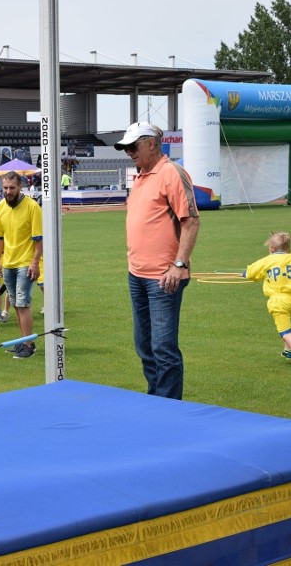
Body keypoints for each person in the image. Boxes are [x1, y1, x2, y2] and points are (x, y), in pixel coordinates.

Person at [114, 121, 200, 400]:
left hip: (164, 277)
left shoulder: (171, 173)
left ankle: (168, 408)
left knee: (163, 348)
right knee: (145, 346)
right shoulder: (140, 177)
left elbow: (191, 222)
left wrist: (179, 265)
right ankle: (156, 400)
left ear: (152, 143)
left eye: (133, 146)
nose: (129, 152)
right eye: (126, 148)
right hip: (136, 275)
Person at [243, 231, 291, 378]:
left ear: (271, 249)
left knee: (286, 333)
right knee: (285, 323)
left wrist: (245, 274)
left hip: (278, 302)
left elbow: (250, 274)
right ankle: (288, 351)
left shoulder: (266, 261)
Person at [0, 171, 43, 359]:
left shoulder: (32, 207)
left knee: (23, 304)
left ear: (20, 186)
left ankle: (28, 346)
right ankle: (25, 341)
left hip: (25, 263)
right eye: (5, 188)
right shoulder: (0, 207)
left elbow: (38, 239)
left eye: (12, 188)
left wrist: (35, 262)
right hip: (8, 263)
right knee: (15, 304)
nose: (8, 191)